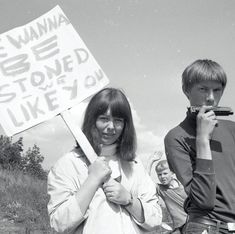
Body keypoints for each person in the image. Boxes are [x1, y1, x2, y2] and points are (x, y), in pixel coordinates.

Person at [47, 87, 162, 234]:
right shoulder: (68, 164)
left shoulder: (134, 164)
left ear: (126, 125)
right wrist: (92, 180)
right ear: (92, 120)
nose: (111, 127)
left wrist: (129, 200)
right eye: (104, 119)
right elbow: (59, 224)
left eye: (118, 121)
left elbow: (156, 219)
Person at [164, 59, 235, 234]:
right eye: (203, 89)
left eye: (217, 90)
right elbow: (204, 200)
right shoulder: (176, 137)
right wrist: (202, 139)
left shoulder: (232, 129)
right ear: (186, 91)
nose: (211, 97)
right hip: (206, 227)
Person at [154, 159, 187, 234]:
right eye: (159, 174)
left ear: (172, 172)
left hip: (192, 225)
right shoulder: (161, 189)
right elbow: (146, 182)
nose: (162, 177)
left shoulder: (184, 186)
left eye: (165, 173)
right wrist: (151, 161)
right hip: (179, 228)